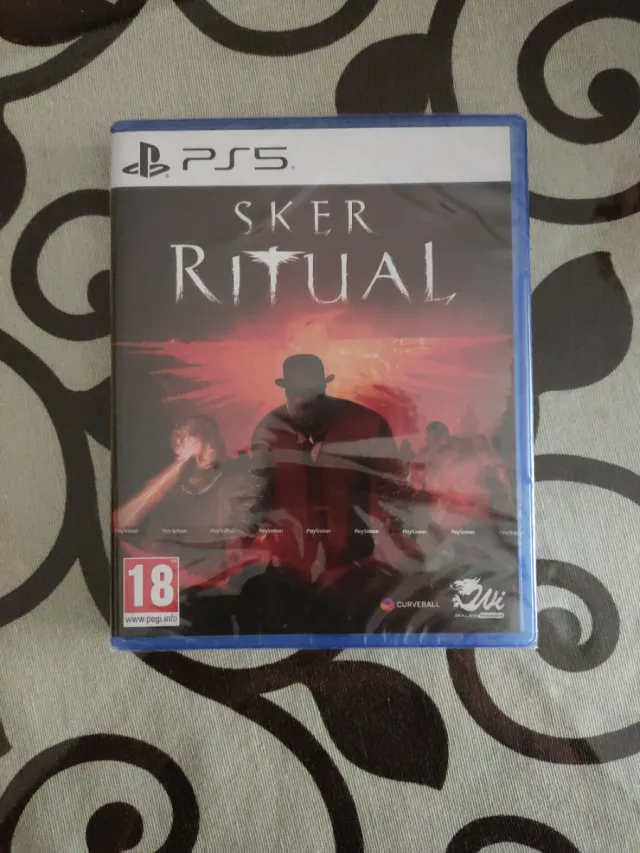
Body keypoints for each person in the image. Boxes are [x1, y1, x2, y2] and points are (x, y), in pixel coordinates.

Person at [250, 354, 407, 582]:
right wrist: (245, 537)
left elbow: (392, 486)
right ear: (285, 391)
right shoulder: (269, 431)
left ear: (324, 388)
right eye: (296, 392)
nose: (303, 400)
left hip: (352, 562)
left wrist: (398, 537)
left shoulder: (367, 424)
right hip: (290, 565)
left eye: (311, 393)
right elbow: (256, 491)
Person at [114, 415, 257, 580]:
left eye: (198, 439)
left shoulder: (234, 481)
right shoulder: (172, 489)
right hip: (171, 577)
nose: (199, 448)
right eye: (185, 441)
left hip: (211, 580)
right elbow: (123, 522)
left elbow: (235, 549)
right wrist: (180, 463)